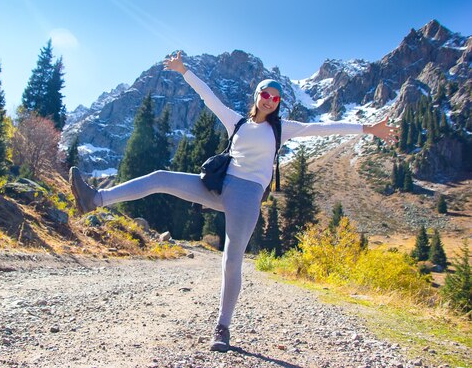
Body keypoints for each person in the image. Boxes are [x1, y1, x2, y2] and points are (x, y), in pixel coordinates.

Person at [69, 51, 398, 352]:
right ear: (257, 96)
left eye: (275, 97)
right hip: (217, 186)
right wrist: (184, 71)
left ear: (279, 103)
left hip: (247, 196)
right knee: (160, 177)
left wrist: (368, 128)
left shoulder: (284, 129)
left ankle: (222, 329)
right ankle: (95, 199)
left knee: (231, 259)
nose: (270, 100)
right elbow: (208, 97)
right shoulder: (236, 122)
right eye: (265, 95)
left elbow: (324, 129)